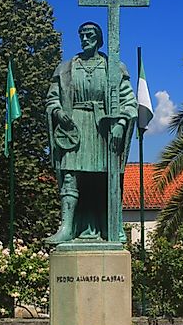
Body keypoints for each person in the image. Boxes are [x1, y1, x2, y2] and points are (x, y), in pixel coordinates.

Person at [45, 22, 137, 243]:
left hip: (103, 128)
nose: (85, 39)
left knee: (106, 177)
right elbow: (52, 99)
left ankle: (111, 225)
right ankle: (67, 226)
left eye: (90, 35)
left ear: (99, 38)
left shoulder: (113, 67)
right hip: (74, 128)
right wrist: (58, 112)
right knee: (70, 174)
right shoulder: (66, 68)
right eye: (82, 35)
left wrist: (121, 123)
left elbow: (129, 102)